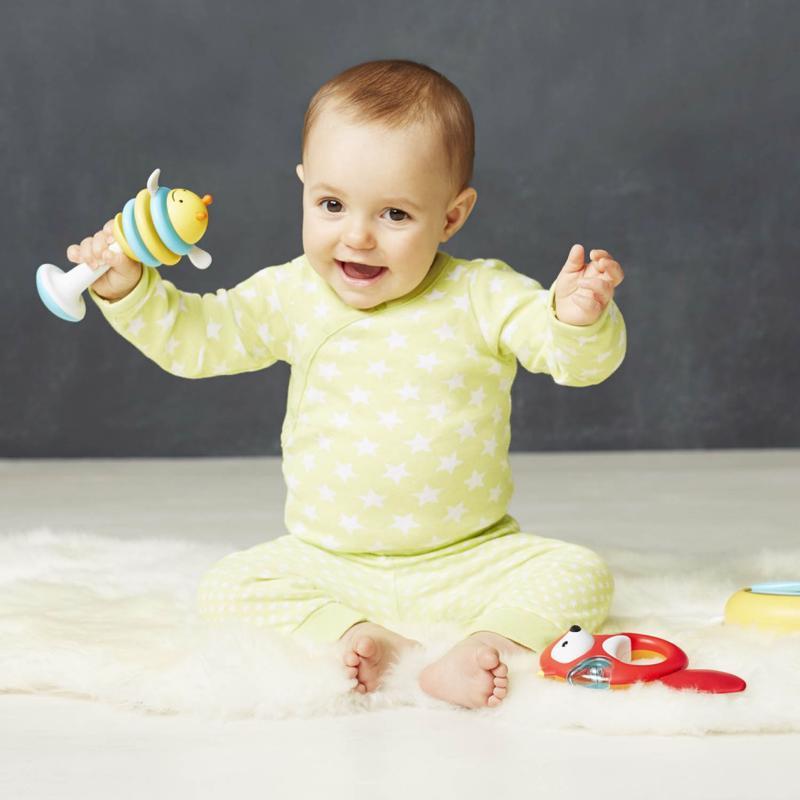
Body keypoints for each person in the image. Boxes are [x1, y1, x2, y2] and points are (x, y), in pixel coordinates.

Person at [67, 59, 626, 709]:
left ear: (451, 216)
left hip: (469, 557)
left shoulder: (483, 294)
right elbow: (199, 340)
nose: (356, 237)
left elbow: (572, 361)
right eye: (331, 205)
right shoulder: (293, 294)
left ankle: (484, 646)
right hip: (328, 560)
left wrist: (576, 317)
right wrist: (130, 290)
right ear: (304, 188)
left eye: (395, 214)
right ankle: (360, 635)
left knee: (580, 572)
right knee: (228, 585)